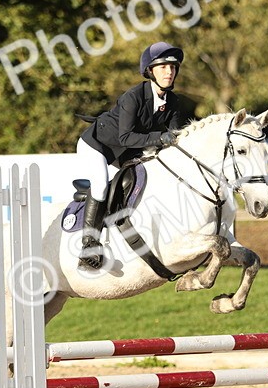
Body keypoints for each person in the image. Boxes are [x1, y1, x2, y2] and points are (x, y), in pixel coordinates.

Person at [75, 41, 193, 268]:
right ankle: (89, 245)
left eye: (173, 67)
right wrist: (160, 138)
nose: (169, 72)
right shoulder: (134, 97)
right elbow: (126, 138)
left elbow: (174, 137)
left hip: (129, 149)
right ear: (150, 71)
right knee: (100, 184)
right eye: (163, 67)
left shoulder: (174, 102)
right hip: (97, 145)